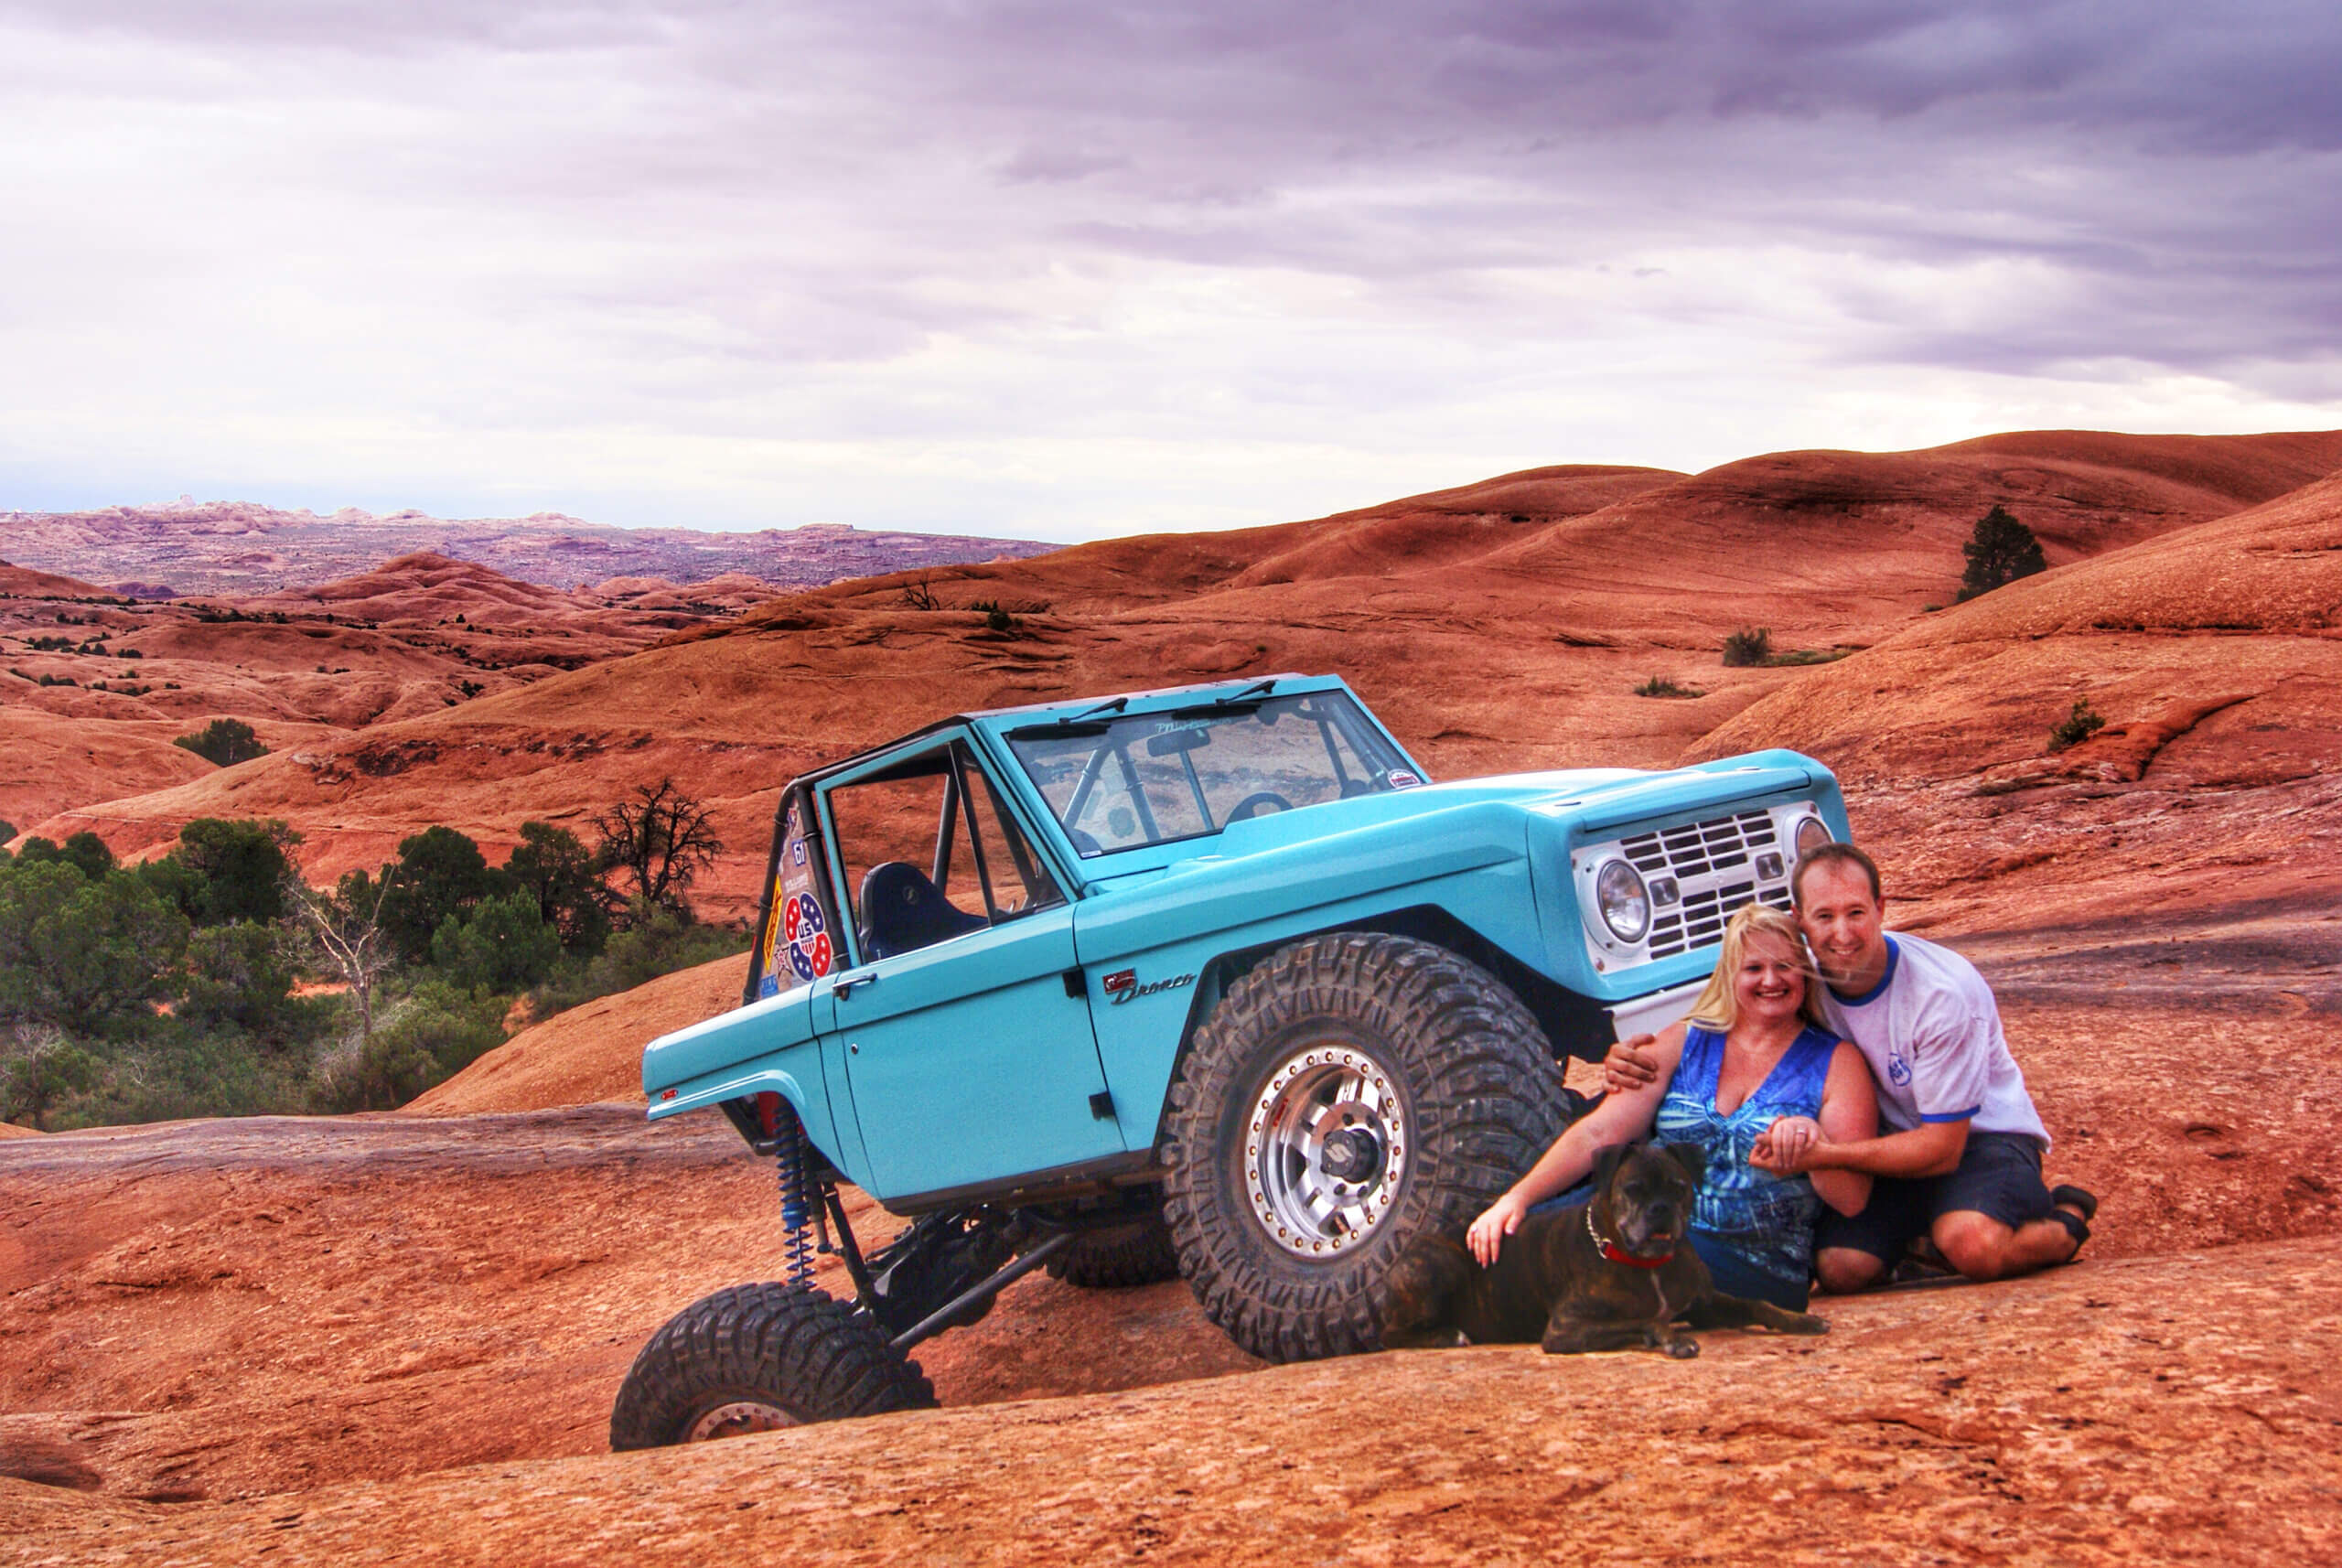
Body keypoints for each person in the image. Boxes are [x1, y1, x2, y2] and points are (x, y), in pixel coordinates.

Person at [1604, 843, 2096, 1291]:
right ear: (1801, 921)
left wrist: (1823, 1157)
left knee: (1974, 1246)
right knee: (1840, 1268)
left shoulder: (1941, 996)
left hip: (1978, 1140)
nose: (1842, 933)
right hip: (1882, 1142)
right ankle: (1921, 1240)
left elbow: (1943, 1149)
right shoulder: (1804, 977)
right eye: (1825, 916)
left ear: (1881, 910)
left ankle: (2065, 1219)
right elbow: (1725, 1005)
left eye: (1856, 913)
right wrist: (1631, 1056)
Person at [1466, 903, 1877, 1310]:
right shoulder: (1687, 1040)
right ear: (1730, 974)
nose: (1770, 980)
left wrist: (1815, 1149)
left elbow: (1852, 1199)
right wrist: (1516, 1199)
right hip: (1642, 1223)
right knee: (1499, 1248)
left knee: (1548, 1273)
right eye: (1754, 968)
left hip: (1751, 1260)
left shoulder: (1837, 1063)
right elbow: (1600, 1131)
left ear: (1803, 973)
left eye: (1784, 967)